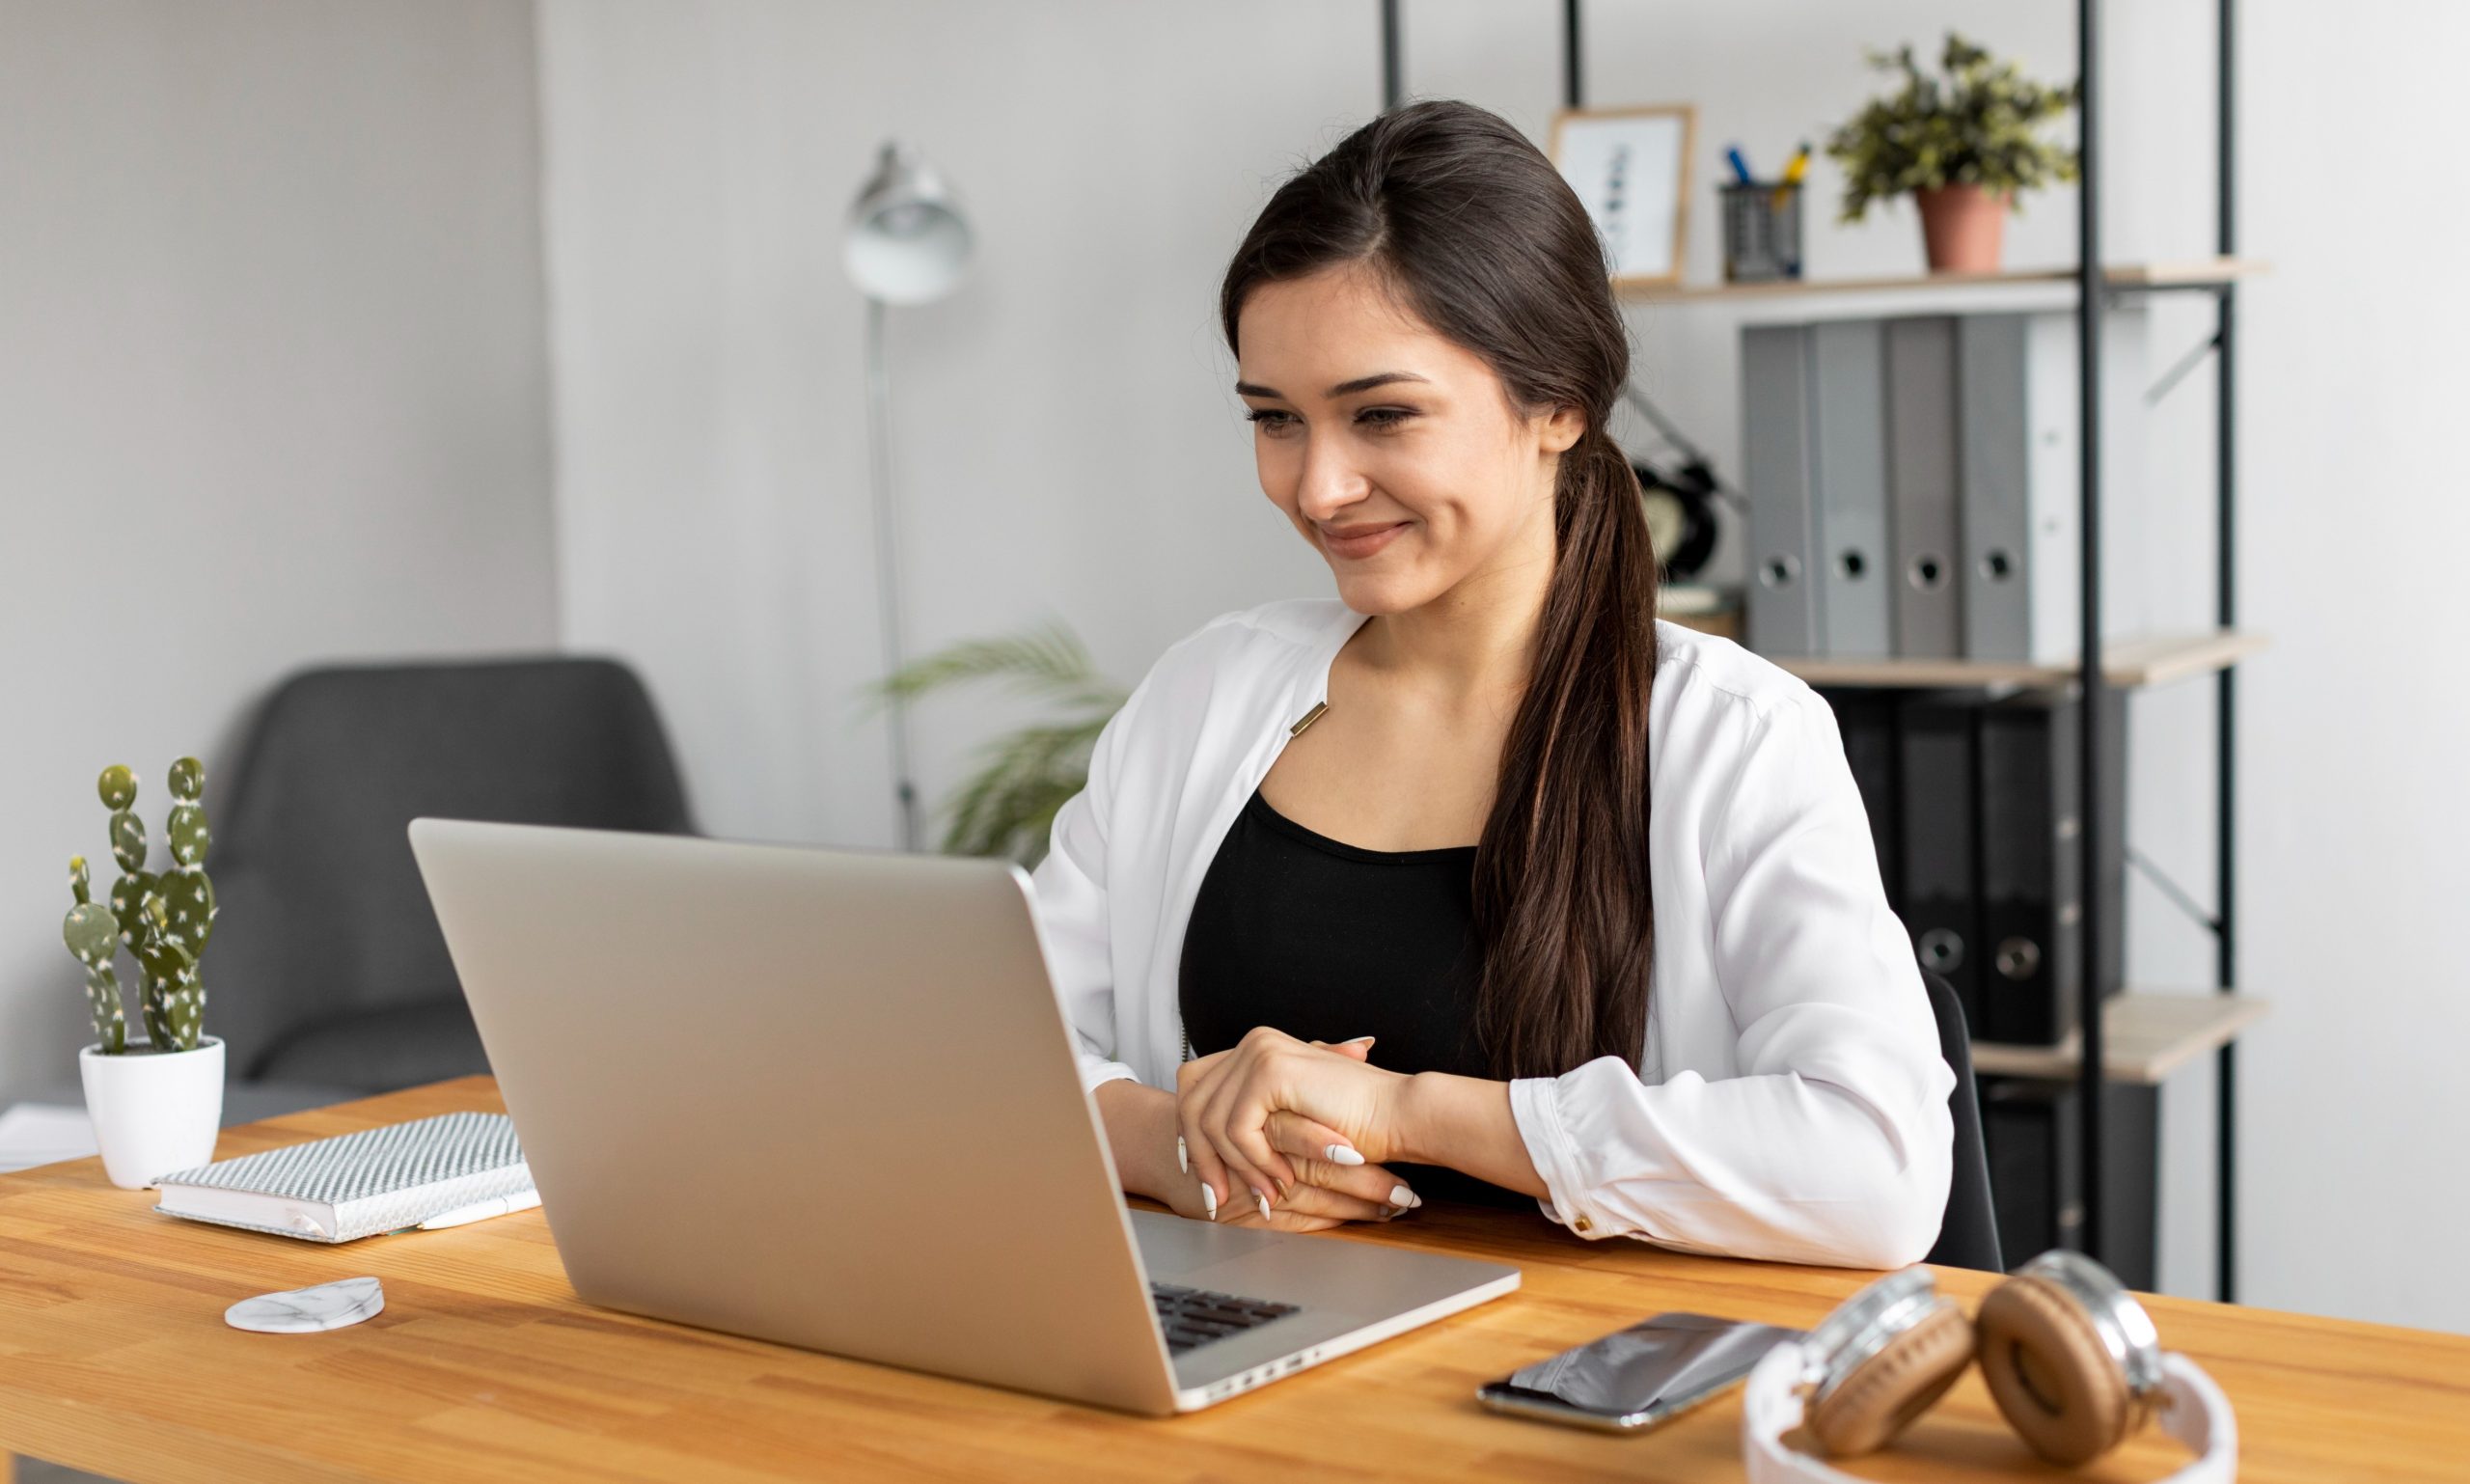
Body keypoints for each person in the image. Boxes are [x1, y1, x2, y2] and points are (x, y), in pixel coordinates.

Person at [1029, 98, 1953, 1270]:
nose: (1316, 487)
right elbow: (1001, 1049)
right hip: (1249, 1367)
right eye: (1274, 419)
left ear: (1557, 401)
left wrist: (1407, 1112)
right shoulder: (1204, 693)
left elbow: (1875, 1170)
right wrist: (1176, 1144)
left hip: (1577, 1399)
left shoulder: (1737, 736)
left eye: (1382, 415)